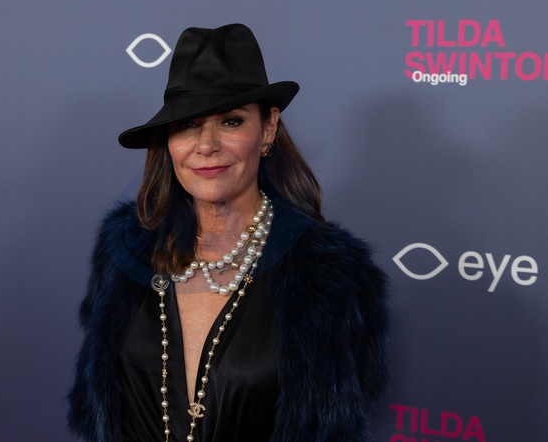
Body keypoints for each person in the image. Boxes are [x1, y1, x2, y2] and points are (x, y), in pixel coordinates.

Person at [68, 23, 388, 442]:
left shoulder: (328, 271)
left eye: (231, 121)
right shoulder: (125, 250)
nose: (206, 145)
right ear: (168, 140)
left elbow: (333, 423)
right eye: (187, 124)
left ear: (268, 128)